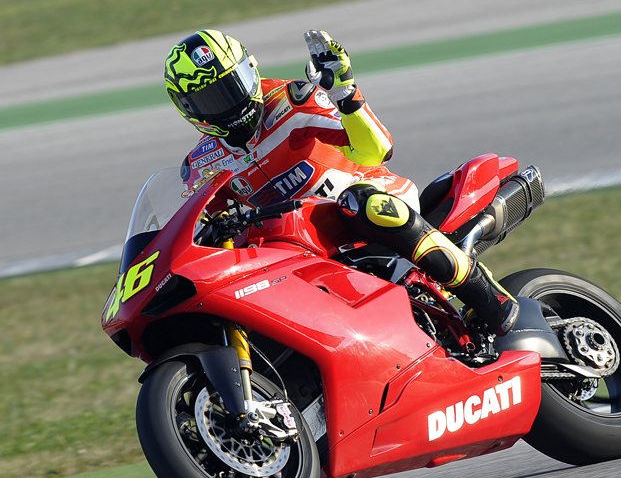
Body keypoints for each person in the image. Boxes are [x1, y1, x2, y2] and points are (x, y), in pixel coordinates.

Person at [164, 29, 519, 336]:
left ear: (251, 69)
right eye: (214, 97)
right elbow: (192, 228)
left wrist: (346, 96)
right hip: (300, 243)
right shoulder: (201, 164)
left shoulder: (292, 100)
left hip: (366, 199)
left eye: (235, 83)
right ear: (189, 109)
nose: (234, 102)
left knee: (360, 202)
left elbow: (376, 150)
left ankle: (487, 296)